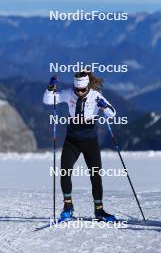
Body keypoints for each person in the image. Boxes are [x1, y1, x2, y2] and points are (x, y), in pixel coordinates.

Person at [43, 69, 117, 221]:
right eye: (78, 90)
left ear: (88, 87)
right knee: (64, 172)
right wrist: (50, 88)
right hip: (72, 141)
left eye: (83, 89)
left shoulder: (96, 96)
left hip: (90, 142)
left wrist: (104, 107)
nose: (80, 92)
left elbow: (112, 113)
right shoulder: (69, 93)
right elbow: (48, 100)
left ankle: (99, 210)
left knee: (95, 175)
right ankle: (68, 207)